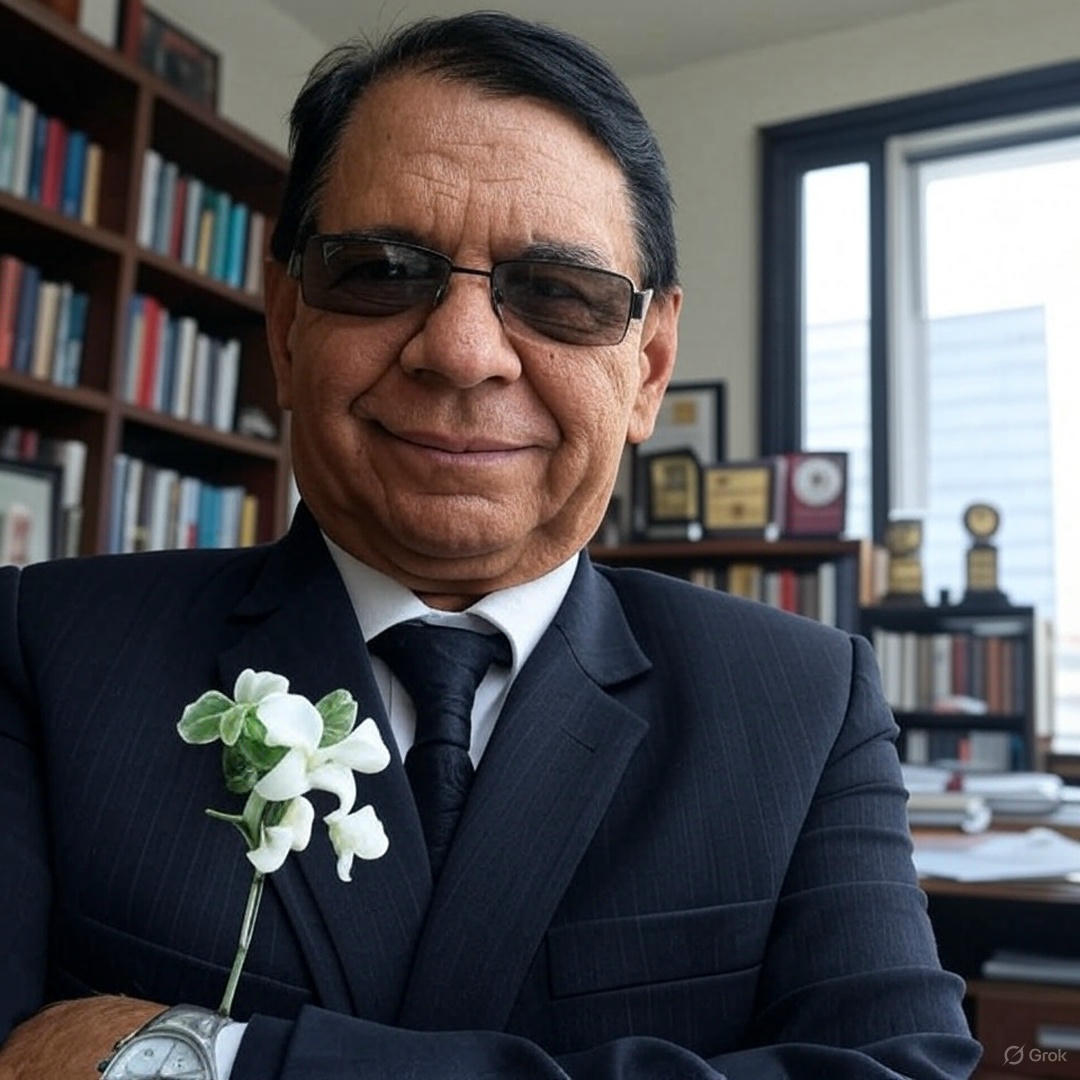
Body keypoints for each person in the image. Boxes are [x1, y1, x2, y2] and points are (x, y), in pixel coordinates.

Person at [0, 12, 981, 1079]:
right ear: (285, 327)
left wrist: (218, 1062)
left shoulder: (802, 701)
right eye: (381, 269)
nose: (463, 353)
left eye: (558, 293)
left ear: (649, 368)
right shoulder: (47, 647)